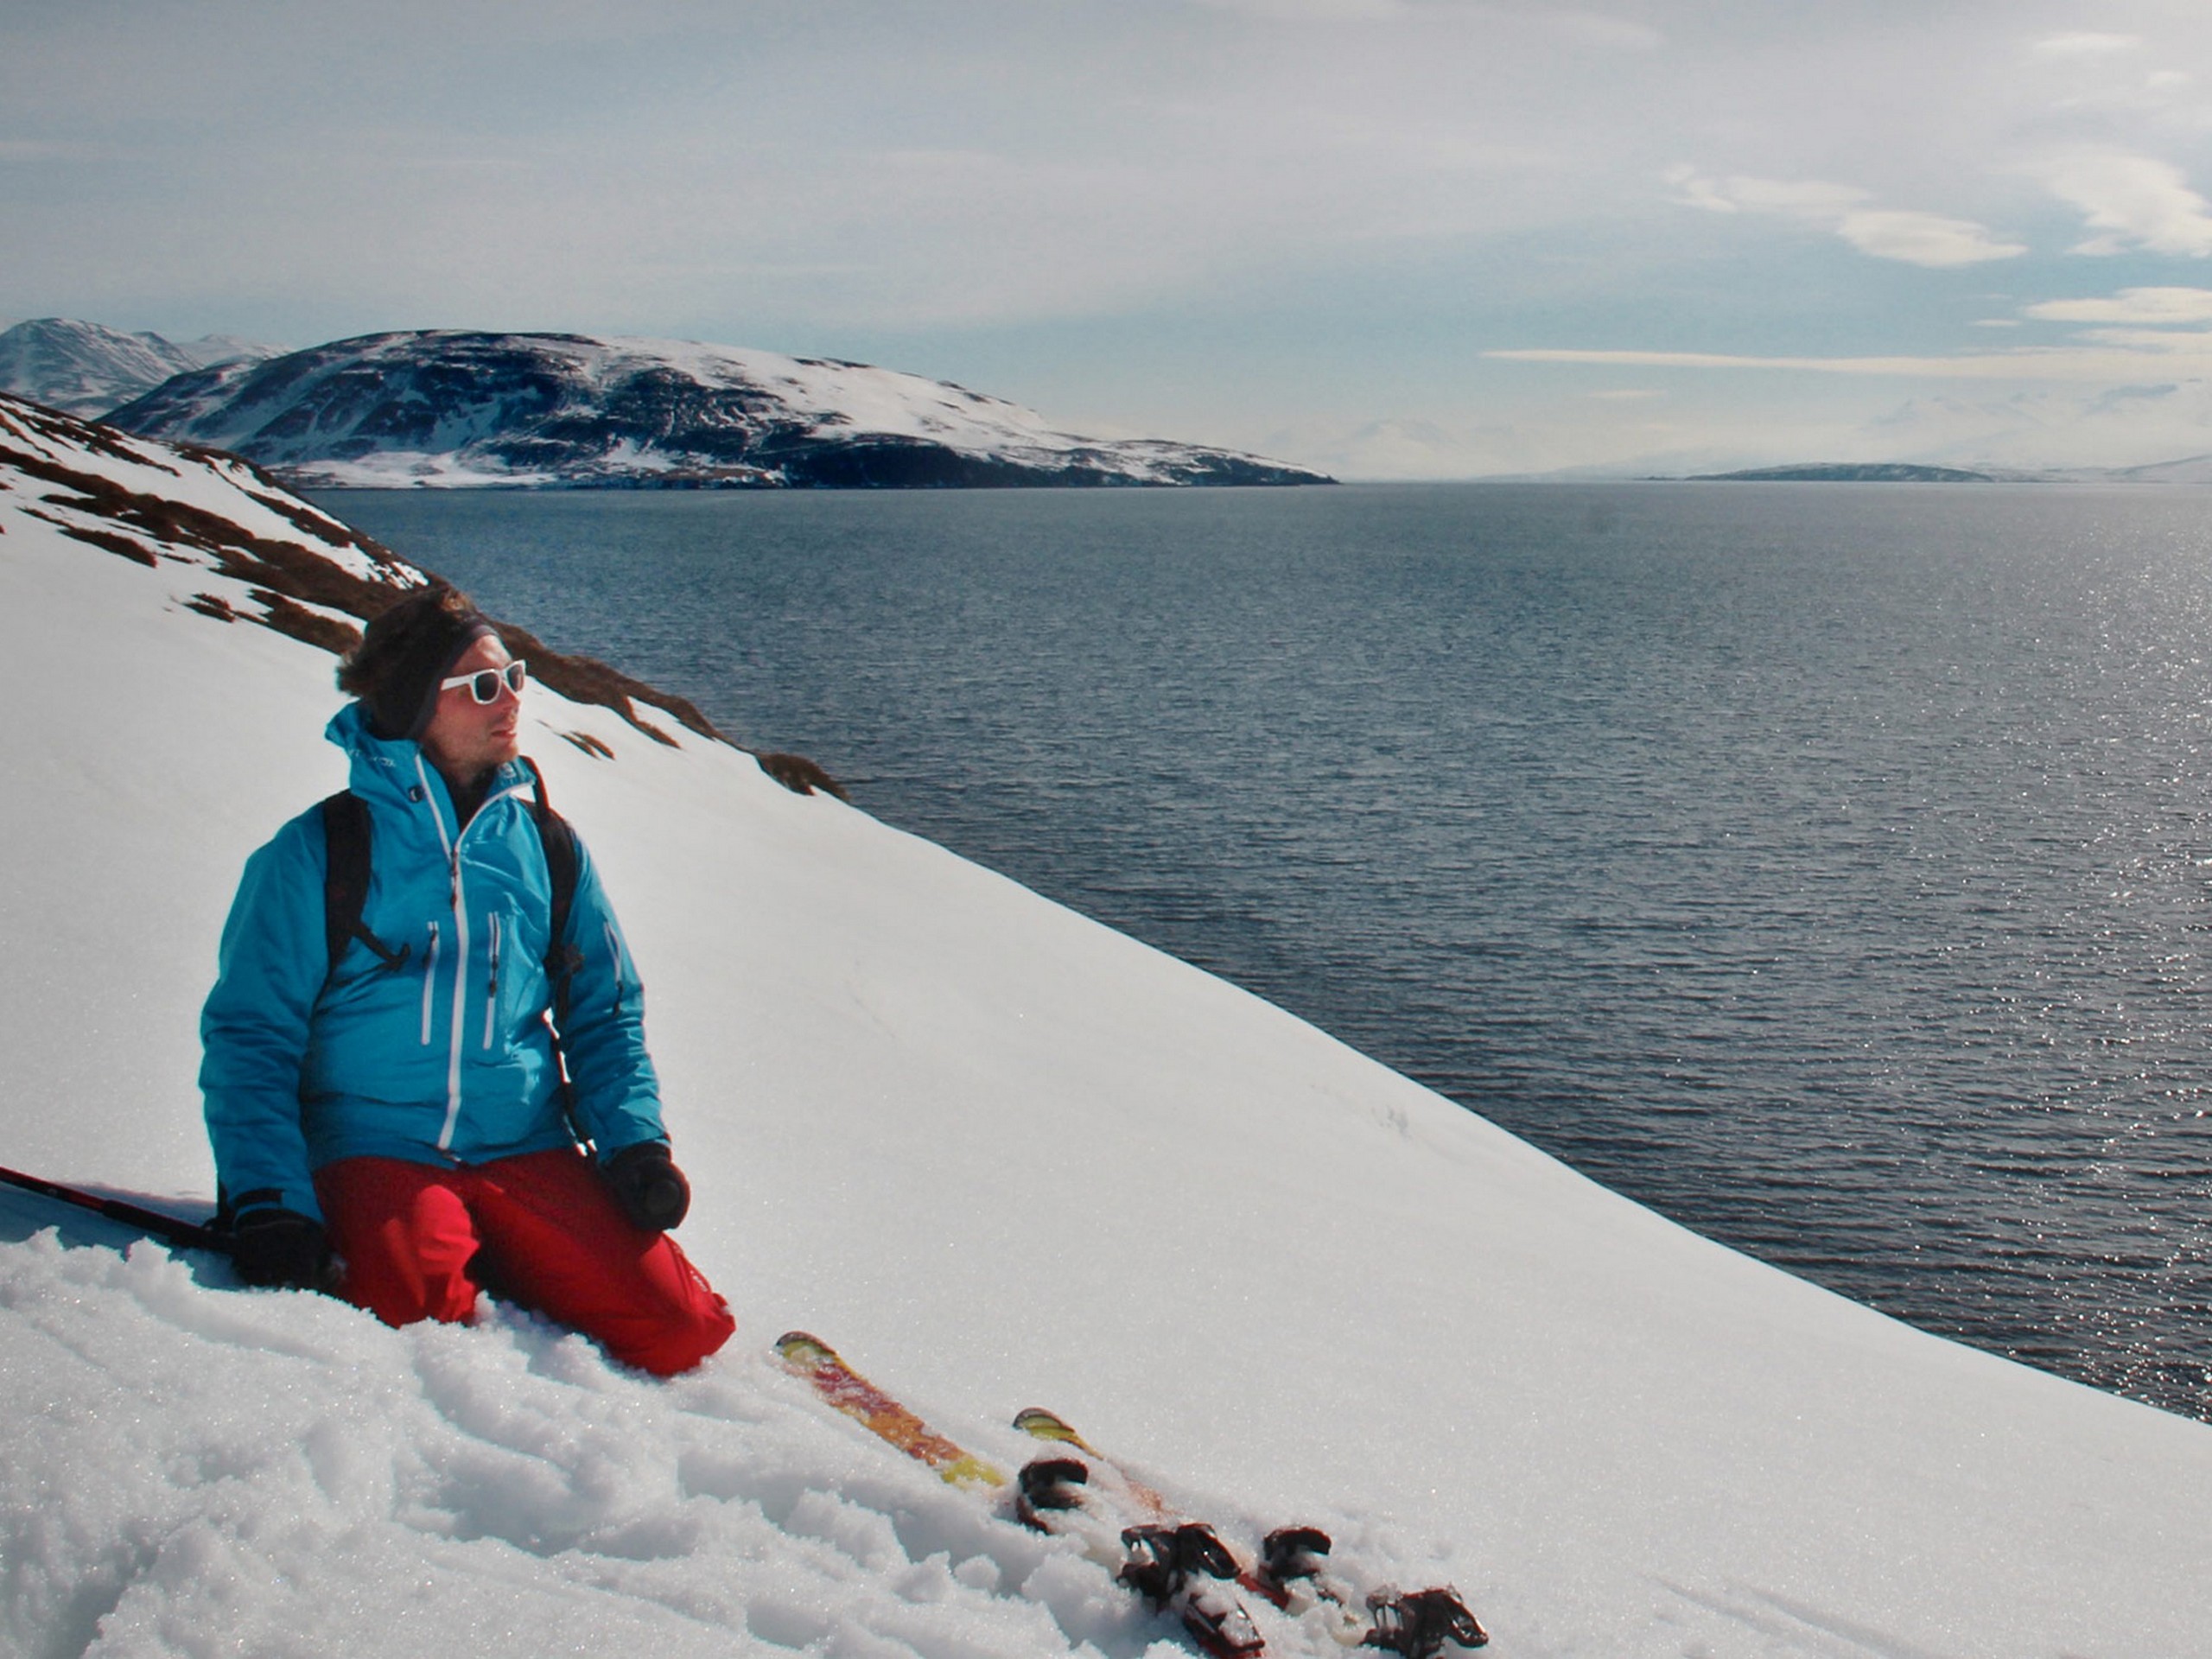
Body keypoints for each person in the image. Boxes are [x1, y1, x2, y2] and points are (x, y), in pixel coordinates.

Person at [199, 582, 734, 1376]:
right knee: (421, 1326)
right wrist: (270, 1201)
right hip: (372, 1144)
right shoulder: (317, 853)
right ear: (417, 707)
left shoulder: (546, 846)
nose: (512, 700)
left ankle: (495, 1245)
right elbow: (251, 1041)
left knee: (682, 1331)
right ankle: (440, 1247)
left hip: (524, 1145)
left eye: (515, 675)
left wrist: (634, 1147)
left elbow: (604, 1012)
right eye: (483, 686)